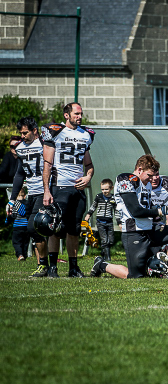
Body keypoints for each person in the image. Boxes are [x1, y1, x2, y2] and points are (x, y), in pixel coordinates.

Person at [90, 155, 168, 279]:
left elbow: (147, 206)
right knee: (135, 276)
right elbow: (136, 211)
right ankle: (102, 264)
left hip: (150, 229)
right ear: (139, 170)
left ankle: (165, 265)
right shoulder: (125, 180)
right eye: (149, 175)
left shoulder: (147, 184)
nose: (151, 179)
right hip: (134, 231)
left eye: (154, 175)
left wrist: (159, 217)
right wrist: (160, 211)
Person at [40, 102, 95, 278]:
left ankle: (73, 268)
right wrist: (47, 190)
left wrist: (88, 177)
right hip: (60, 186)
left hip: (78, 188)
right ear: (66, 115)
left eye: (81, 114)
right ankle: (53, 268)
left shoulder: (86, 134)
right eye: (76, 114)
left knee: (75, 229)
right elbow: (47, 165)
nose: (79, 117)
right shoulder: (56, 132)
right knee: (56, 227)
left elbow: (89, 164)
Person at [9, 117, 49, 276]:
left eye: (25, 133)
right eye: (21, 133)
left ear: (34, 131)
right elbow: (19, 174)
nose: (23, 136)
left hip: (43, 191)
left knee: (34, 227)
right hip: (31, 192)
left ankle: (45, 265)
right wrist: (12, 199)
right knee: (35, 230)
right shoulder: (20, 148)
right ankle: (44, 265)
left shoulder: (44, 144)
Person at [84, 178, 117, 264]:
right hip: (100, 221)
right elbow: (93, 206)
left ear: (111, 188)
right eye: (102, 189)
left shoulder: (113, 198)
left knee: (111, 240)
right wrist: (88, 214)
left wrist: (119, 222)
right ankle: (108, 258)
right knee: (104, 240)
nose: (104, 191)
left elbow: (116, 211)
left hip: (109, 222)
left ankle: (104, 251)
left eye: (106, 189)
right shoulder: (99, 197)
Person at [11, 188, 30, 262]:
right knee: (25, 242)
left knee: (17, 242)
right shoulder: (28, 203)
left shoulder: (15, 204)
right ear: (25, 196)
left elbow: (12, 215)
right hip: (26, 226)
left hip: (17, 226)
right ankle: (24, 256)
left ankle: (20, 255)